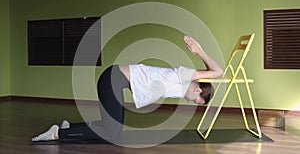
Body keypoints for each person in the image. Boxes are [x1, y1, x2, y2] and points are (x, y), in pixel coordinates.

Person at [31, 35, 223, 142]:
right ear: (198, 91)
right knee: (112, 132)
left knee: (114, 126)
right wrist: (200, 51)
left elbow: (211, 74)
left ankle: (69, 126)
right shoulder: (184, 76)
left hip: (115, 80)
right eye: (198, 101)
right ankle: (58, 133)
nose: (193, 102)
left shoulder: (181, 86)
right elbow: (218, 72)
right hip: (112, 80)